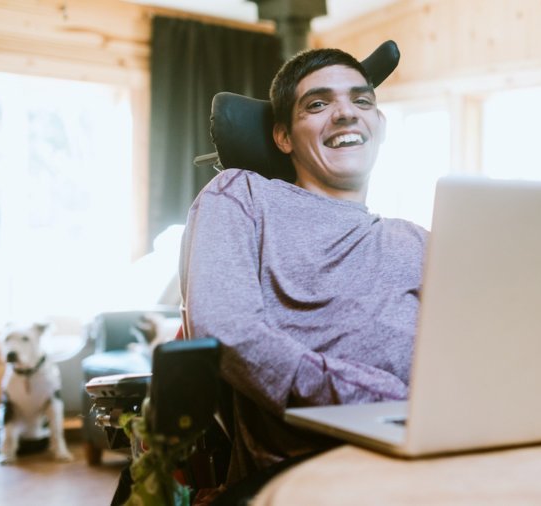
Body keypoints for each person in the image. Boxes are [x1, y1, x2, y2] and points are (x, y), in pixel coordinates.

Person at [179, 47, 428, 497]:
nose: (346, 113)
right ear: (283, 137)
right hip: (312, 473)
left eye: (362, 101)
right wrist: (385, 400)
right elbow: (227, 330)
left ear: (381, 126)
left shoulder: (415, 239)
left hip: (430, 453)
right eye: (317, 104)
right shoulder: (243, 195)